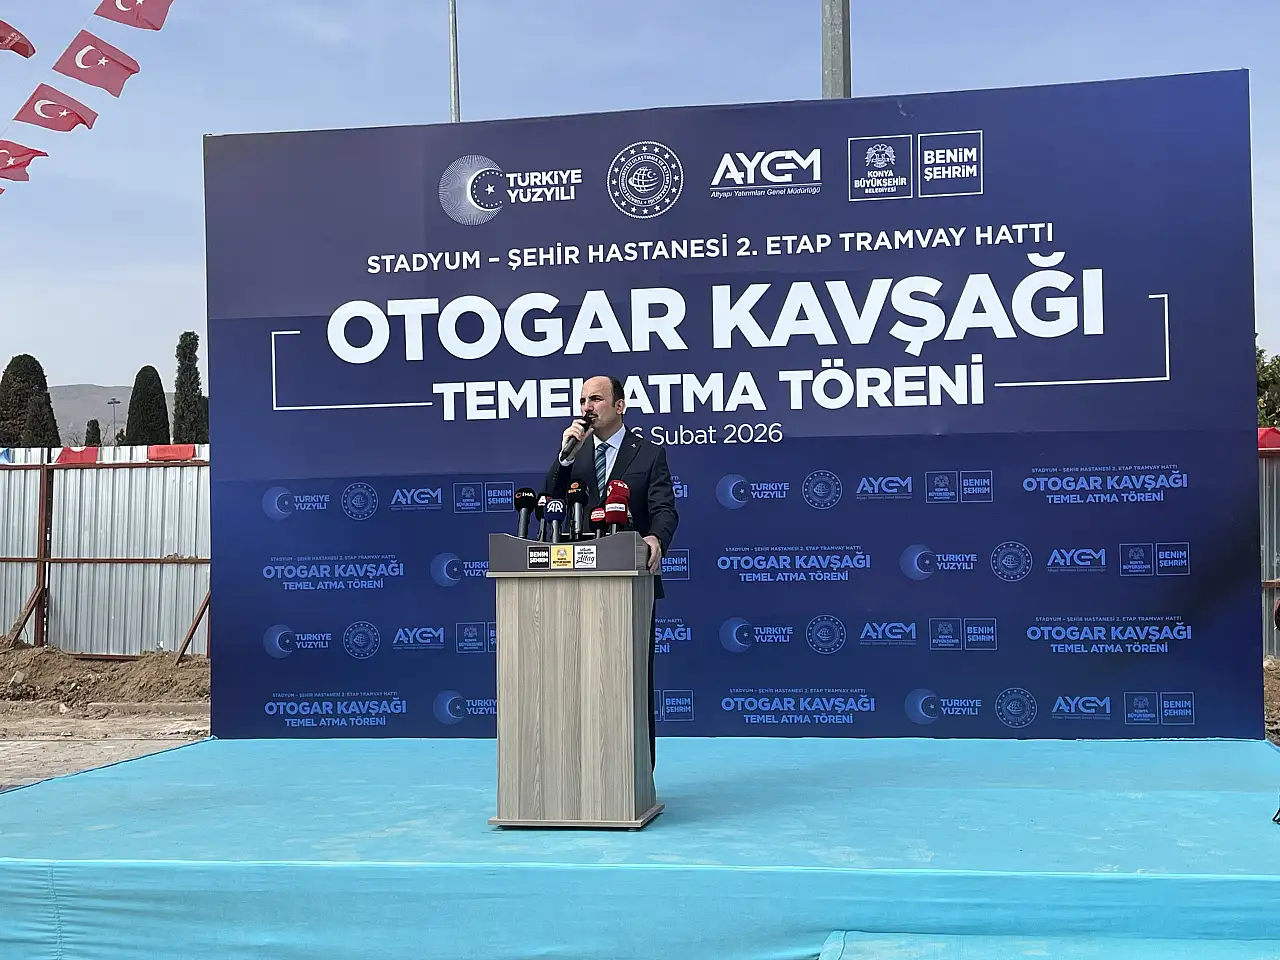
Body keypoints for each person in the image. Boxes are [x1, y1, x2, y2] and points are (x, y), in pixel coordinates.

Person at [545, 374, 678, 770]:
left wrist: (655, 538)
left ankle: (637, 775)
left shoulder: (648, 453)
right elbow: (551, 499)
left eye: (596, 399)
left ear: (619, 406)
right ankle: (577, 771)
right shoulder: (575, 453)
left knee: (631, 679)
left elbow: (665, 509)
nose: (587, 407)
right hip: (576, 580)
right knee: (573, 677)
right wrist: (564, 457)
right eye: (583, 400)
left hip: (629, 581)